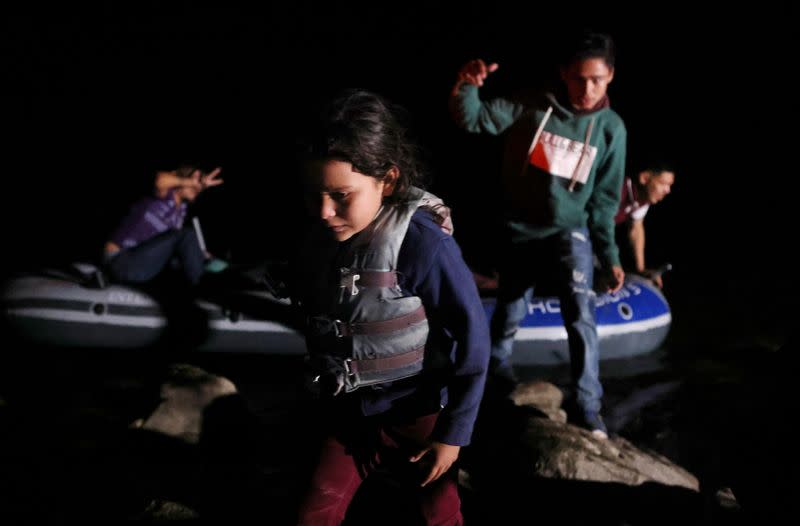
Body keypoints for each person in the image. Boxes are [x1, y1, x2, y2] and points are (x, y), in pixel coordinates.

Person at [292, 89, 489, 526]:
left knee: (437, 514)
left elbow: (473, 338)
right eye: (314, 194)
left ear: (388, 180)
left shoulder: (423, 244)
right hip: (348, 411)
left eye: (341, 196)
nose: (324, 211)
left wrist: (453, 435)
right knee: (314, 511)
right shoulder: (322, 234)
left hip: (416, 412)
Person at [449, 31, 626, 438]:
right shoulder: (532, 104)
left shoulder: (612, 129)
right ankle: (496, 375)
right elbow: (474, 118)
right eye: (579, 78)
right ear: (563, 74)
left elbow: (604, 201)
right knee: (511, 308)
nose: (587, 89)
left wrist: (611, 256)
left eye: (596, 80)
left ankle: (587, 406)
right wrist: (467, 86)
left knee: (581, 312)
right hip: (519, 229)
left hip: (570, 231)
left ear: (610, 76)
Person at [103, 164, 225, 287]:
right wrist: (191, 182)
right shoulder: (164, 194)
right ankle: (201, 288)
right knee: (187, 234)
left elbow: (175, 247)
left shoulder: (181, 212)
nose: (197, 186)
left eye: (200, 185)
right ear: (182, 179)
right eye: (195, 180)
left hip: (143, 263)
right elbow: (160, 180)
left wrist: (200, 255)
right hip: (122, 260)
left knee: (185, 258)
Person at [614, 165, 675, 288]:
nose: (668, 190)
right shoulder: (619, 188)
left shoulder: (642, 199)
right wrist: (611, 262)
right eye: (663, 184)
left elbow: (636, 228)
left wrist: (641, 269)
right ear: (644, 178)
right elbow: (600, 224)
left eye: (670, 186)